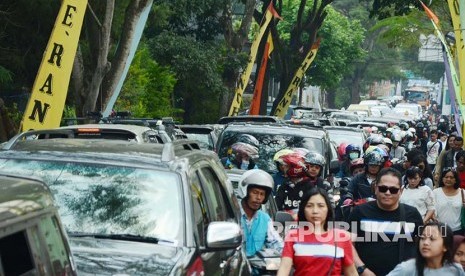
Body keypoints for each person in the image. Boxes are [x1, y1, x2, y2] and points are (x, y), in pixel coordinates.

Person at [348, 167, 423, 276]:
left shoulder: (412, 214)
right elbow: (348, 244)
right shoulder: (359, 212)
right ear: (375, 188)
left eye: (393, 190)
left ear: (401, 191)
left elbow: (422, 246)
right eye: (383, 188)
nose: (388, 193)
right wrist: (362, 269)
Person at [277, 187, 357, 276]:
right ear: (303, 209)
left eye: (321, 206)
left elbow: (351, 272)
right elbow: (284, 268)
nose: (315, 211)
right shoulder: (293, 236)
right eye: (309, 206)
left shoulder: (342, 237)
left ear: (328, 209)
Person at [387, 221, 464, 275]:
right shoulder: (406, 269)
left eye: (432, 239)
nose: (425, 243)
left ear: (445, 246)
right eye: (422, 238)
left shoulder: (456, 270)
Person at [237, 169, 283, 258]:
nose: (258, 197)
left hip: (258, 268)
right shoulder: (232, 216)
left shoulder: (265, 219)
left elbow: (276, 243)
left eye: (262, 194)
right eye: (255, 192)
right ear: (245, 191)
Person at [433, 168, 464, 235]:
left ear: (455, 180)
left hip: (458, 230)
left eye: (451, 177)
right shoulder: (436, 192)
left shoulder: (463, 193)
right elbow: (432, 210)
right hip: (440, 230)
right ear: (442, 179)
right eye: (446, 177)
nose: (448, 179)